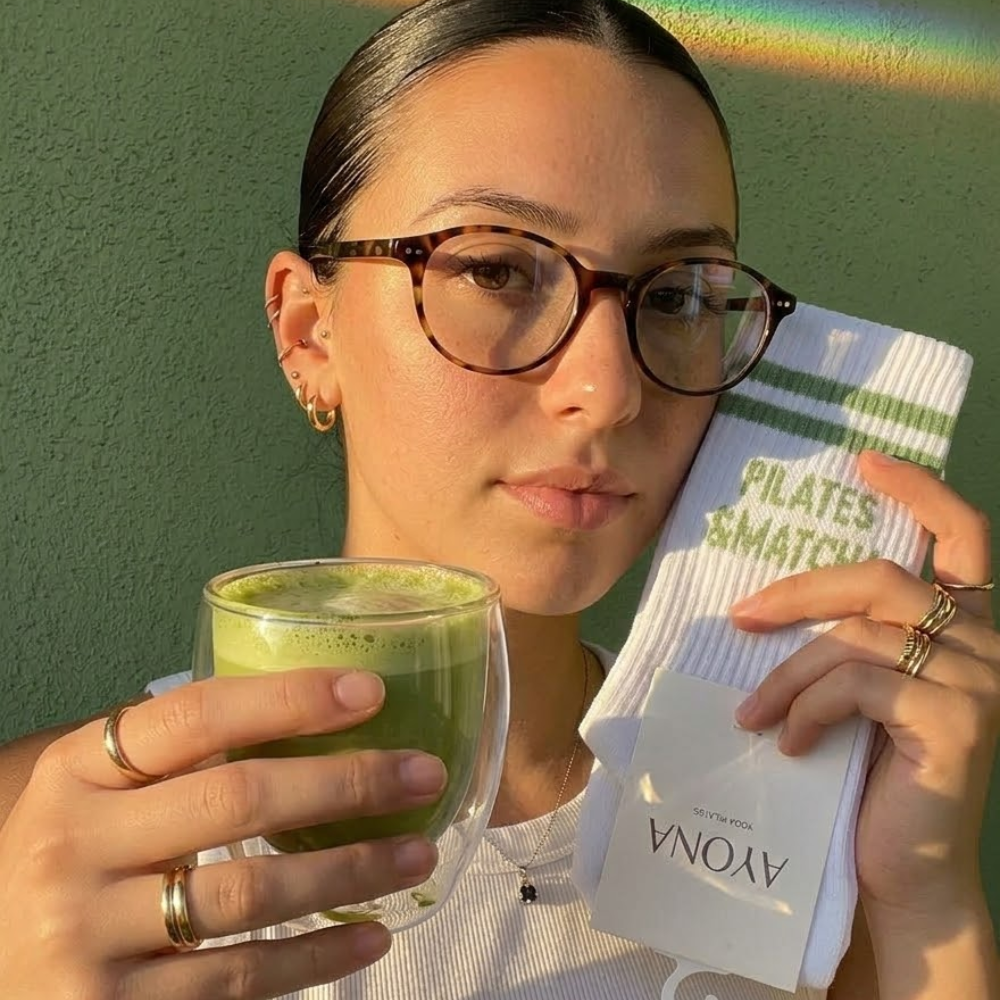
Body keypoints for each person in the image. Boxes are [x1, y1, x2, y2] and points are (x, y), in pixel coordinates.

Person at [1, 0, 998, 997]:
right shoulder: (49, 849)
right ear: (309, 332)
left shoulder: (809, 854)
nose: (607, 389)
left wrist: (926, 902)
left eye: (676, 296)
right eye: (496, 269)